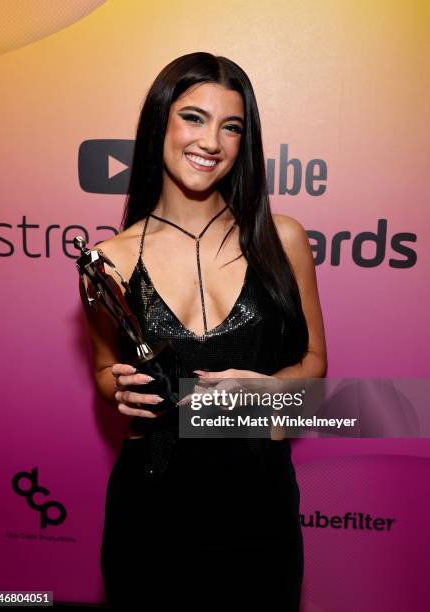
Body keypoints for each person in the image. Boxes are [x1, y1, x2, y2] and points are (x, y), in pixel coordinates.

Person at [79, 52, 327, 607]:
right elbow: (101, 368)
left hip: (258, 507)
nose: (211, 140)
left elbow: (314, 364)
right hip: (150, 512)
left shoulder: (282, 241)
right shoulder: (108, 262)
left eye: (231, 126)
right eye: (194, 117)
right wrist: (116, 388)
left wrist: (266, 390)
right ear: (160, 123)